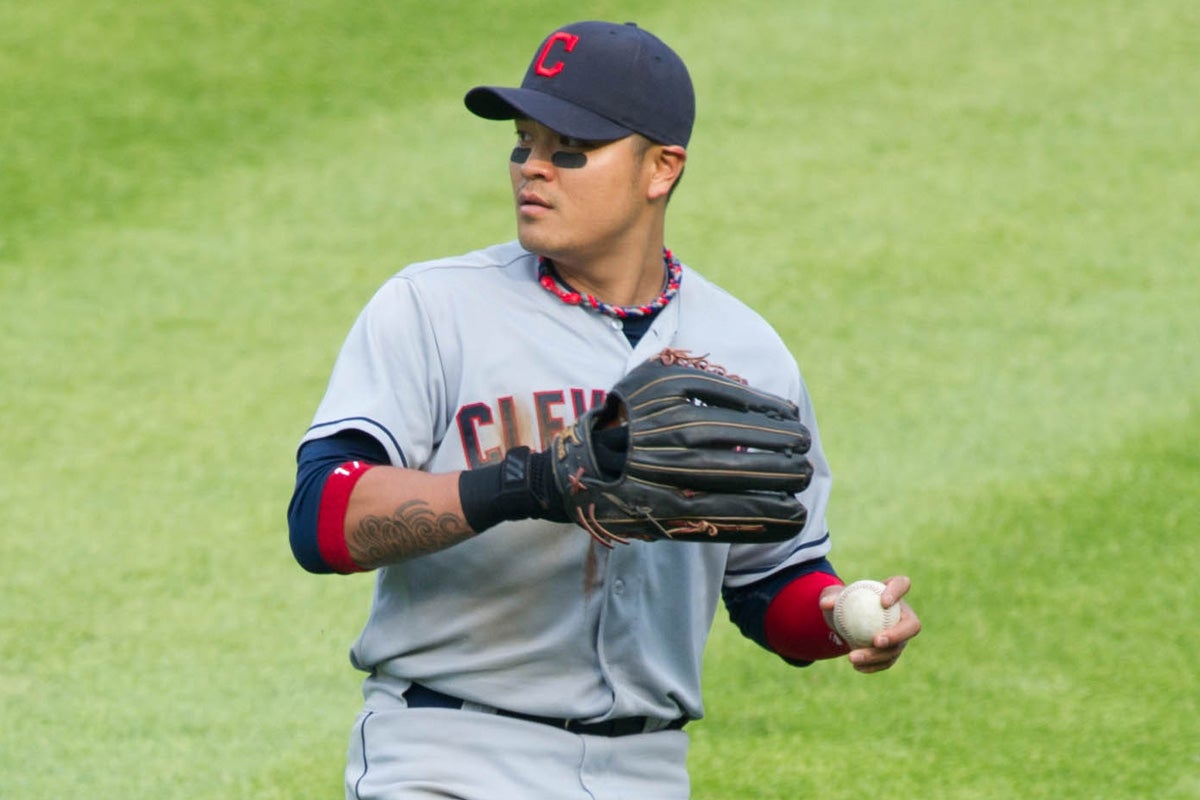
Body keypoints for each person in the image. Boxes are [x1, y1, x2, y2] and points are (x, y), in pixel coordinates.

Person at [287, 19, 921, 800]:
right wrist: (533, 481)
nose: (533, 170)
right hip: (449, 753)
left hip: (646, 771)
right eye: (524, 143)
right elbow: (321, 516)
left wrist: (836, 616)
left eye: (570, 150)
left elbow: (770, 579)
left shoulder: (748, 351)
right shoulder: (434, 307)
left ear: (662, 168)